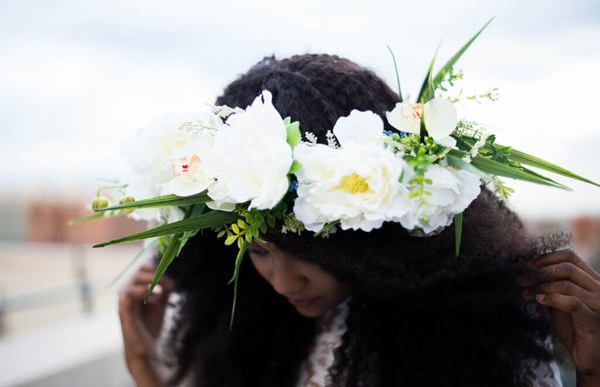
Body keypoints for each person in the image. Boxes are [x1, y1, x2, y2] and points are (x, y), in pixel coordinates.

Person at [118, 54, 600, 387]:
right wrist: (141, 356)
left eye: (309, 248)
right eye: (259, 250)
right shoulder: (253, 326)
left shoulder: (480, 334)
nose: (283, 280)